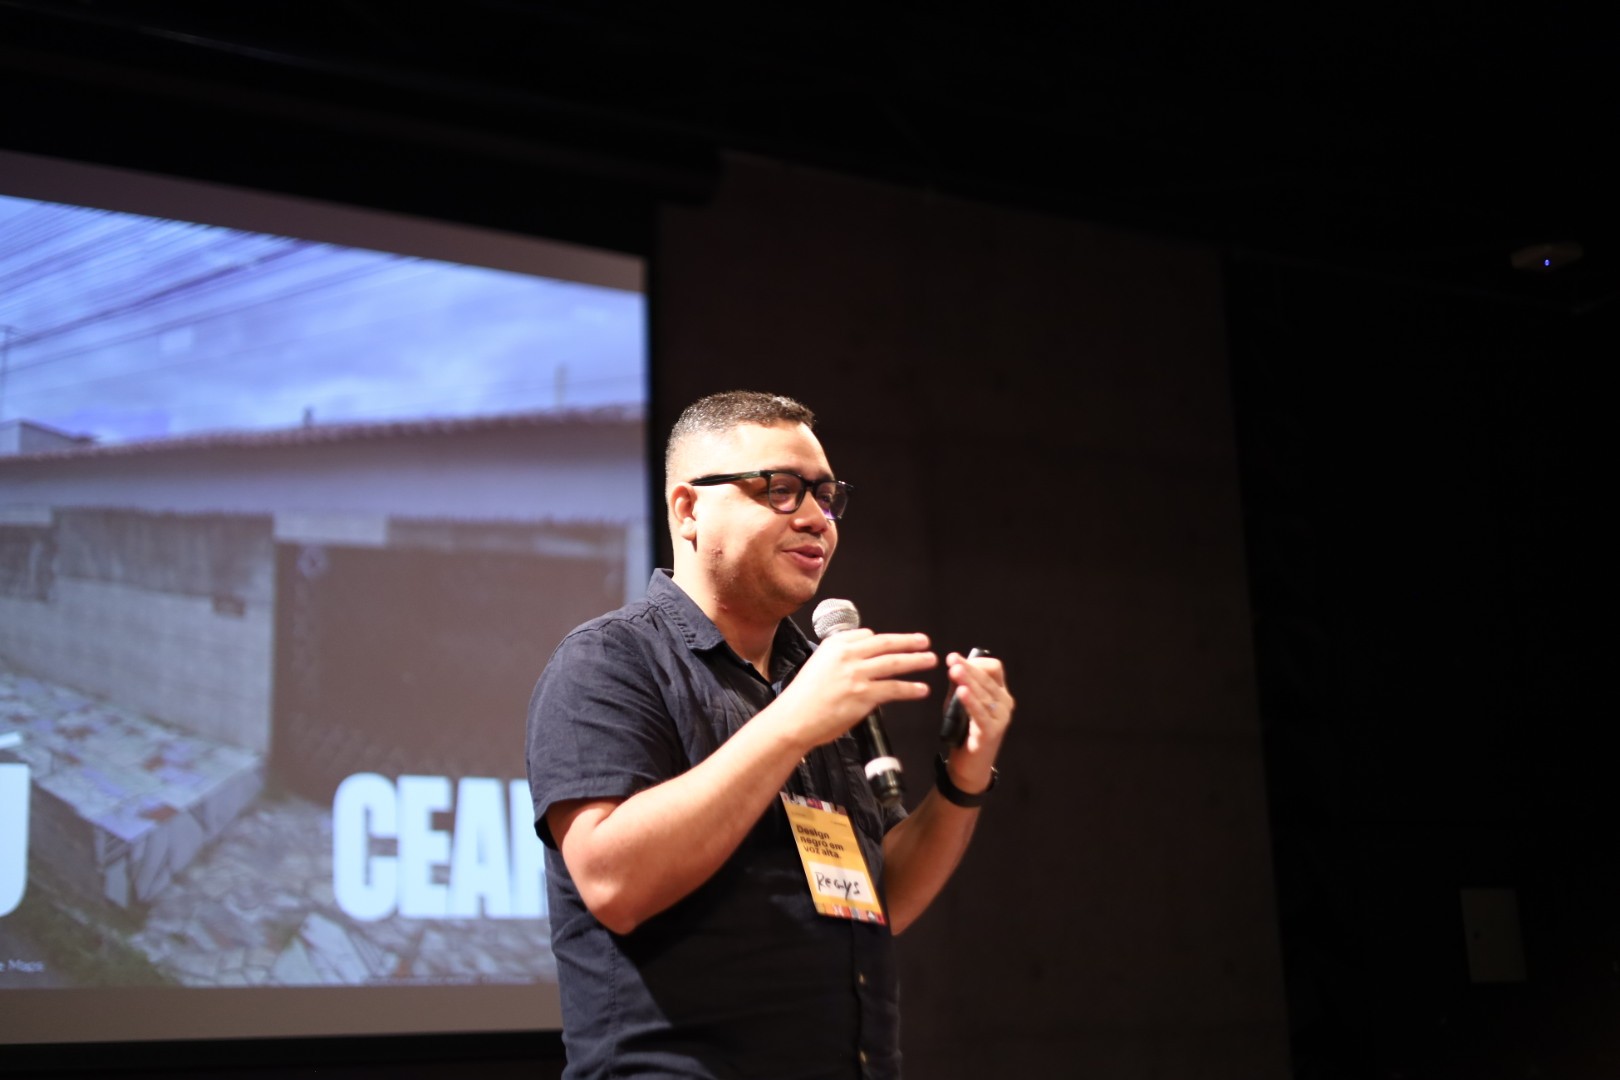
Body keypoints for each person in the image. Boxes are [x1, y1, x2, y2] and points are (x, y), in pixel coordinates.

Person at [526, 390, 1014, 1079]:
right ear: (688, 509)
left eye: (826, 494)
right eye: (781, 490)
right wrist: (789, 723)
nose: (817, 517)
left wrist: (962, 779)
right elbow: (613, 881)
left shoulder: (812, 676)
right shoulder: (610, 659)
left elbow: (882, 900)